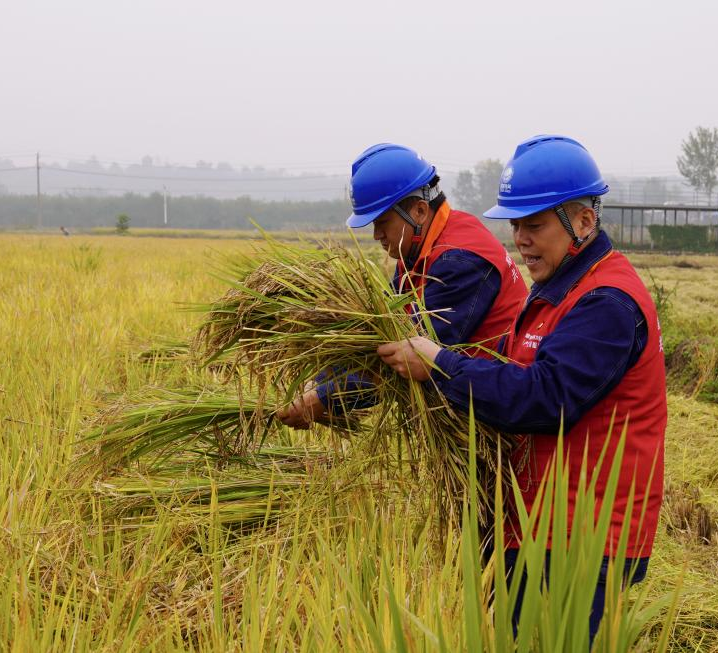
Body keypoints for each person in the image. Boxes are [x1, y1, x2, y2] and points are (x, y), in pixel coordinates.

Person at [376, 135, 667, 638]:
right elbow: (509, 375)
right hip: (539, 522)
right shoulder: (559, 291)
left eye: (534, 225)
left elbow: (542, 400)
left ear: (582, 221)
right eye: (515, 225)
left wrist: (442, 365)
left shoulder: (607, 303)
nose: (521, 239)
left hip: (585, 538)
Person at [275, 142, 528, 427]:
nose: (376, 235)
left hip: (501, 415)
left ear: (419, 211)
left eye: (382, 223)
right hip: (471, 404)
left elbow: (406, 357)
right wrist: (319, 382)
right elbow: (381, 331)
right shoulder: (419, 248)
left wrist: (322, 398)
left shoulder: (459, 260)